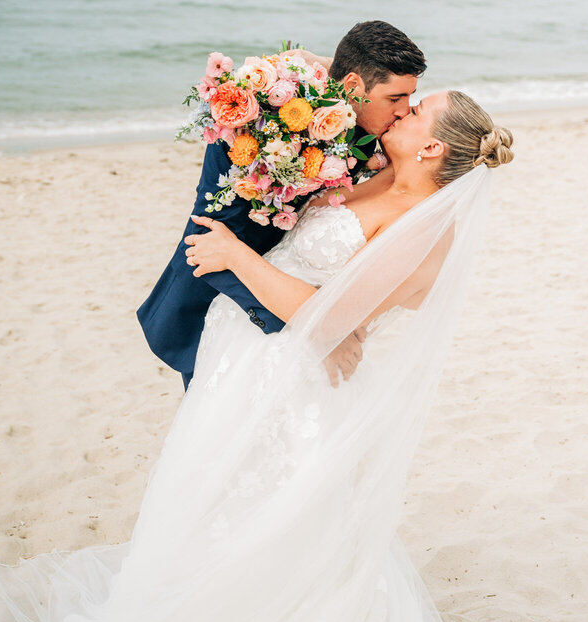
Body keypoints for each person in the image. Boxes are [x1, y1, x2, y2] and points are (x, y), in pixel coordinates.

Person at [0, 88, 514, 622]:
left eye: (414, 111)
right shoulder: (375, 170)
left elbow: (327, 317)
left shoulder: (423, 229)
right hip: (248, 360)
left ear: (432, 146)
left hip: (295, 387)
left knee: (270, 510)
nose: (399, 112)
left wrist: (234, 257)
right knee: (211, 495)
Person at [137, 20, 427, 390]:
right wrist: (314, 333)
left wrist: (330, 324)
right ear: (354, 85)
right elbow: (209, 240)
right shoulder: (260, 121)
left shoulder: (371, 130)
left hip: (300, 307)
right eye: (395, 98)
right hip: (216, 307)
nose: (404, 110)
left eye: (410, 97)